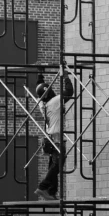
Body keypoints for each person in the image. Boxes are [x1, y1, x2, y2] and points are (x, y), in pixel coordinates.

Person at [33, 71, 73, 201]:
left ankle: (51, 191)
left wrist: (40, 75)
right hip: (55, 138)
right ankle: (43, 187)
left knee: (54, 165)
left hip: (49, 139)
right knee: (57, 164)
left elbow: (39, 89)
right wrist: (66, 76)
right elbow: (69, 91)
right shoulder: (55, 101)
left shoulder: (42, 103)